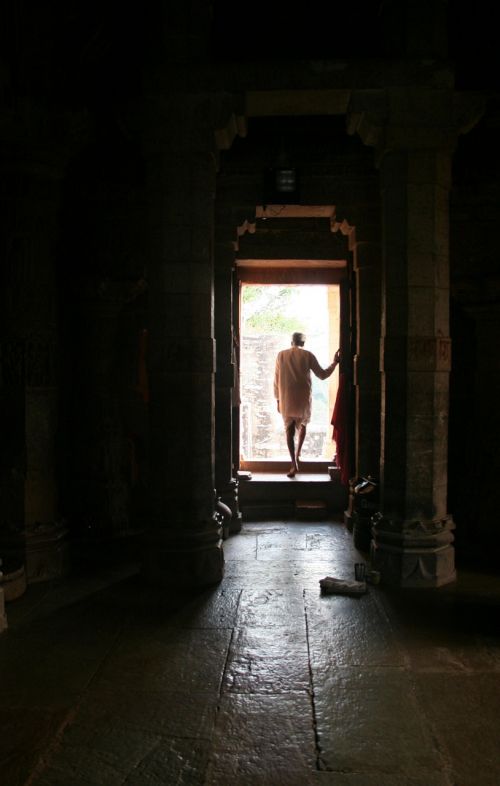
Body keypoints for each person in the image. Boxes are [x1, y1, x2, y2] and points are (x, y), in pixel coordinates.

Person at [274, 331, 340, 477]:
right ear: (303, 343)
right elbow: (322, 375)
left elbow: (276, 380)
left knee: (289, 430)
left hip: (286, 396)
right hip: (303, 397)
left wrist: (278, 399)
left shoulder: (281, 355)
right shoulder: (307, 355)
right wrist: (335, 362)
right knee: (303, 424)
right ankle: (298, 454)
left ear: (291, 342)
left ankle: (293, 463)